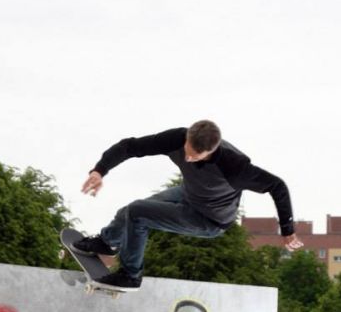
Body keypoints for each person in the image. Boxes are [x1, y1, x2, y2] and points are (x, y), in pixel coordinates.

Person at [76, 120, 304, 291]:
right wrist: (99, 170)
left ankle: (130, 275)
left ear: (211, 151)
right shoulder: (177, 138)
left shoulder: (235, 167)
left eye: (195, 157)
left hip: (209, 219)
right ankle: (106, 243)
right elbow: (130, 147)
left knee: (137, 212)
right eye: (187, 151)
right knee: (128, 212)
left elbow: (278, 186)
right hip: (189, 194)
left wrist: (287, 230)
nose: (188, 159)